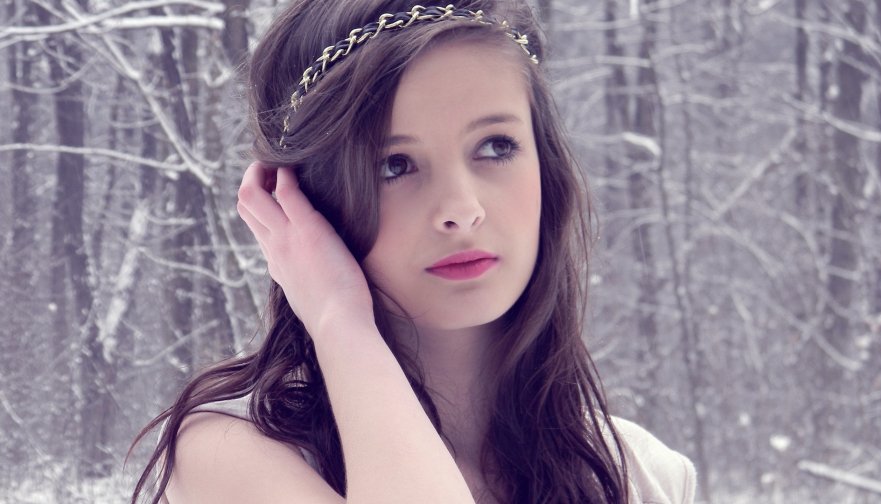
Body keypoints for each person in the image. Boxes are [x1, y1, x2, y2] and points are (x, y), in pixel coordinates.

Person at [130, 1, 697, 503]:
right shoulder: (229, 455)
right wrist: (338, 321)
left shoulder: (644, 476)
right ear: (307, 205)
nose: (460, 207)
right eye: (393, 165)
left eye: (496, 146)